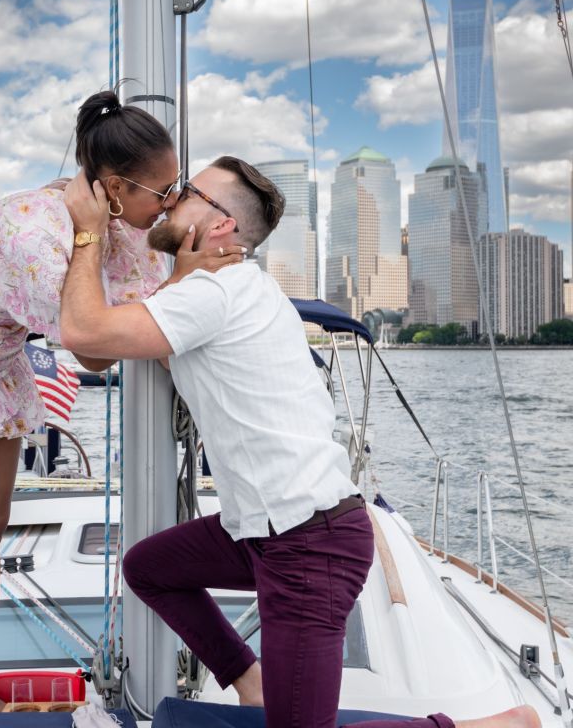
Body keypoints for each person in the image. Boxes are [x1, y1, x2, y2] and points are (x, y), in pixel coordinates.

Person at [59, 157, 540, 728]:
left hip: (310, 546)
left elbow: (84, 333)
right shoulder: (221, 290)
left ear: (219, 227)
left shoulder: (216, 294)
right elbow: (146, 340)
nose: (169, 198)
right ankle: (250, 681)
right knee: (148, 568)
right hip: (266, 533)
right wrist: (179, 274)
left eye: (187, 191)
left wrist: (88, 230)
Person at [0, 91, 244, 719]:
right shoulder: (37, 236)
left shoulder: (122, 217)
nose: (168, 205)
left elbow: (152, 304)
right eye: (159, 193)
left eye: (175, 186)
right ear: (110, 187)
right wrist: (144, 266)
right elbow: (99, 350)